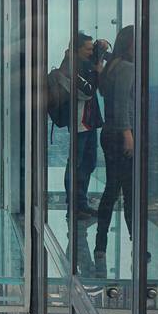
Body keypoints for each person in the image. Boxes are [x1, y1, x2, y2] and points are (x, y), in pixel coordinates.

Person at [94, 25, 135, 264]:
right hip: (121, 134)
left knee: (112, 189)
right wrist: (128, 134)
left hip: (108, 133)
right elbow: (122, 103)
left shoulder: (112, 66)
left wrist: (102, 51)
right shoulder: (128, 68)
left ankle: (101, 244)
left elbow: (109, 96)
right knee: (128, 192)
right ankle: (137, 244)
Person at [63, 32, 109, 218]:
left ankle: (81, 203)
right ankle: (73, 206)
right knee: (76, 164)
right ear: (77, 50)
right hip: (79, 123)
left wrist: (103, 49)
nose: (92, 52)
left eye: (92, 49)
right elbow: (88, 91)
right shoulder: (70, 68)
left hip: (88, 122)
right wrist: (97, 71)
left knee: (88, 163)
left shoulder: (84, 65)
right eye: (88, 49)